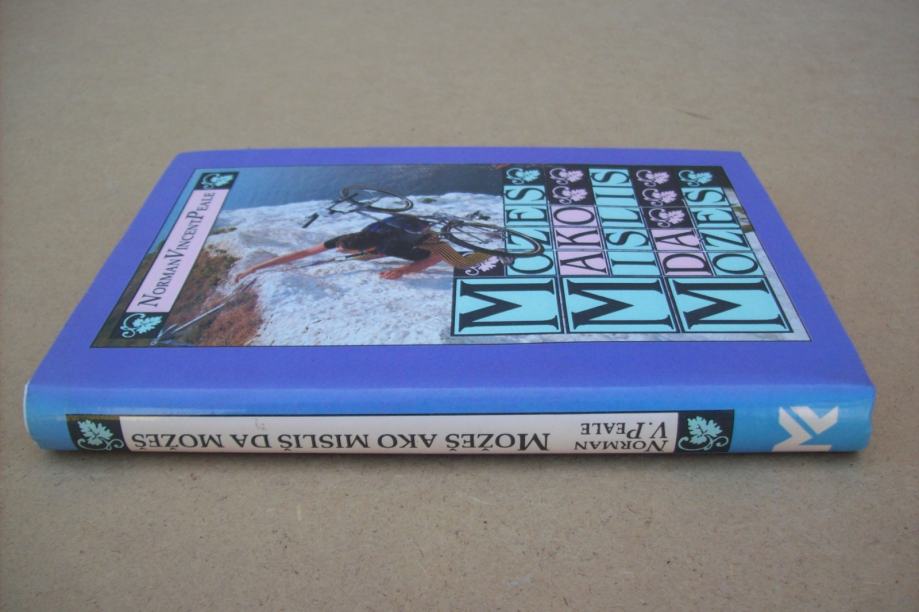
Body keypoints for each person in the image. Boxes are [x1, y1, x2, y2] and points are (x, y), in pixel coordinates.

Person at [235, 214, 497, 282]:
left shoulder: (393, 244)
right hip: (389, 239)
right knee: (357, 256)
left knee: (461, 263)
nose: (341, 249)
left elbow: (433, 258)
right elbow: (302, 253)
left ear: (373, 248)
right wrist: (253, 269)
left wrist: (404, 271)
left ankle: (497, 253)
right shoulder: (347, 239)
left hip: (427, 239)